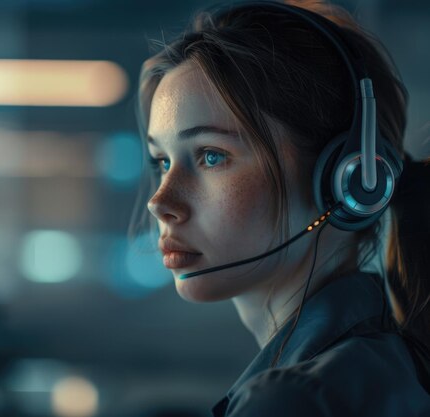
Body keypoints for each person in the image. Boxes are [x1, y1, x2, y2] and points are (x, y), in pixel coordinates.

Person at [129, 0, 430, 415]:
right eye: (162, 161)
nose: (160, 202)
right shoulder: (375, 367)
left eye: (211, 156)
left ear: (353, 182)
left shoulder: (293, 401)